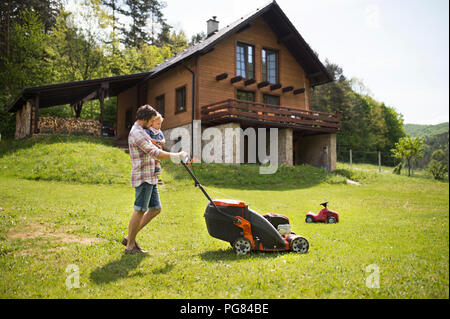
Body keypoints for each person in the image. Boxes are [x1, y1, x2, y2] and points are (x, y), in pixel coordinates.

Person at [123, 104, 188, 254]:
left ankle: (129, 238)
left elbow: (156, 147)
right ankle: (130, 247)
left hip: (151, 176)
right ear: (144, 119)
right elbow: (155, 153)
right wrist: (176, 156)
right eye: (151, 120)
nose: (153, 124)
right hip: (143, 177)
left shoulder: (143, 130)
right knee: (139, 210)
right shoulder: (136, 133)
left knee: (155, 209)